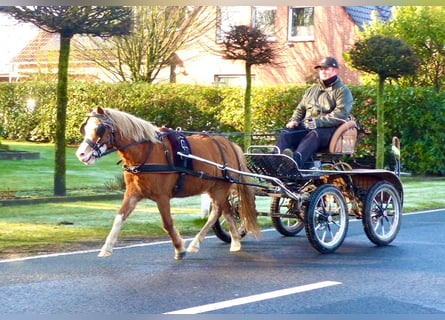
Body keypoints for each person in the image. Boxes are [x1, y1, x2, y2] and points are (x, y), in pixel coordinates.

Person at [276, 56, 353, 168]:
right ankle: (274, 161)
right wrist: (294, 120)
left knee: (314, 134)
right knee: (286, 133)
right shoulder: (311, 90)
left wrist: (317, 123)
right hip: (306, 127)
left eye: (326, 69)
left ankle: (294, 164)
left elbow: (340, 114)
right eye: (321, 69)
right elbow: (300, 109)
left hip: (328, 131)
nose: (323, 72)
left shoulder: (342, 91)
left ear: (335, 71)